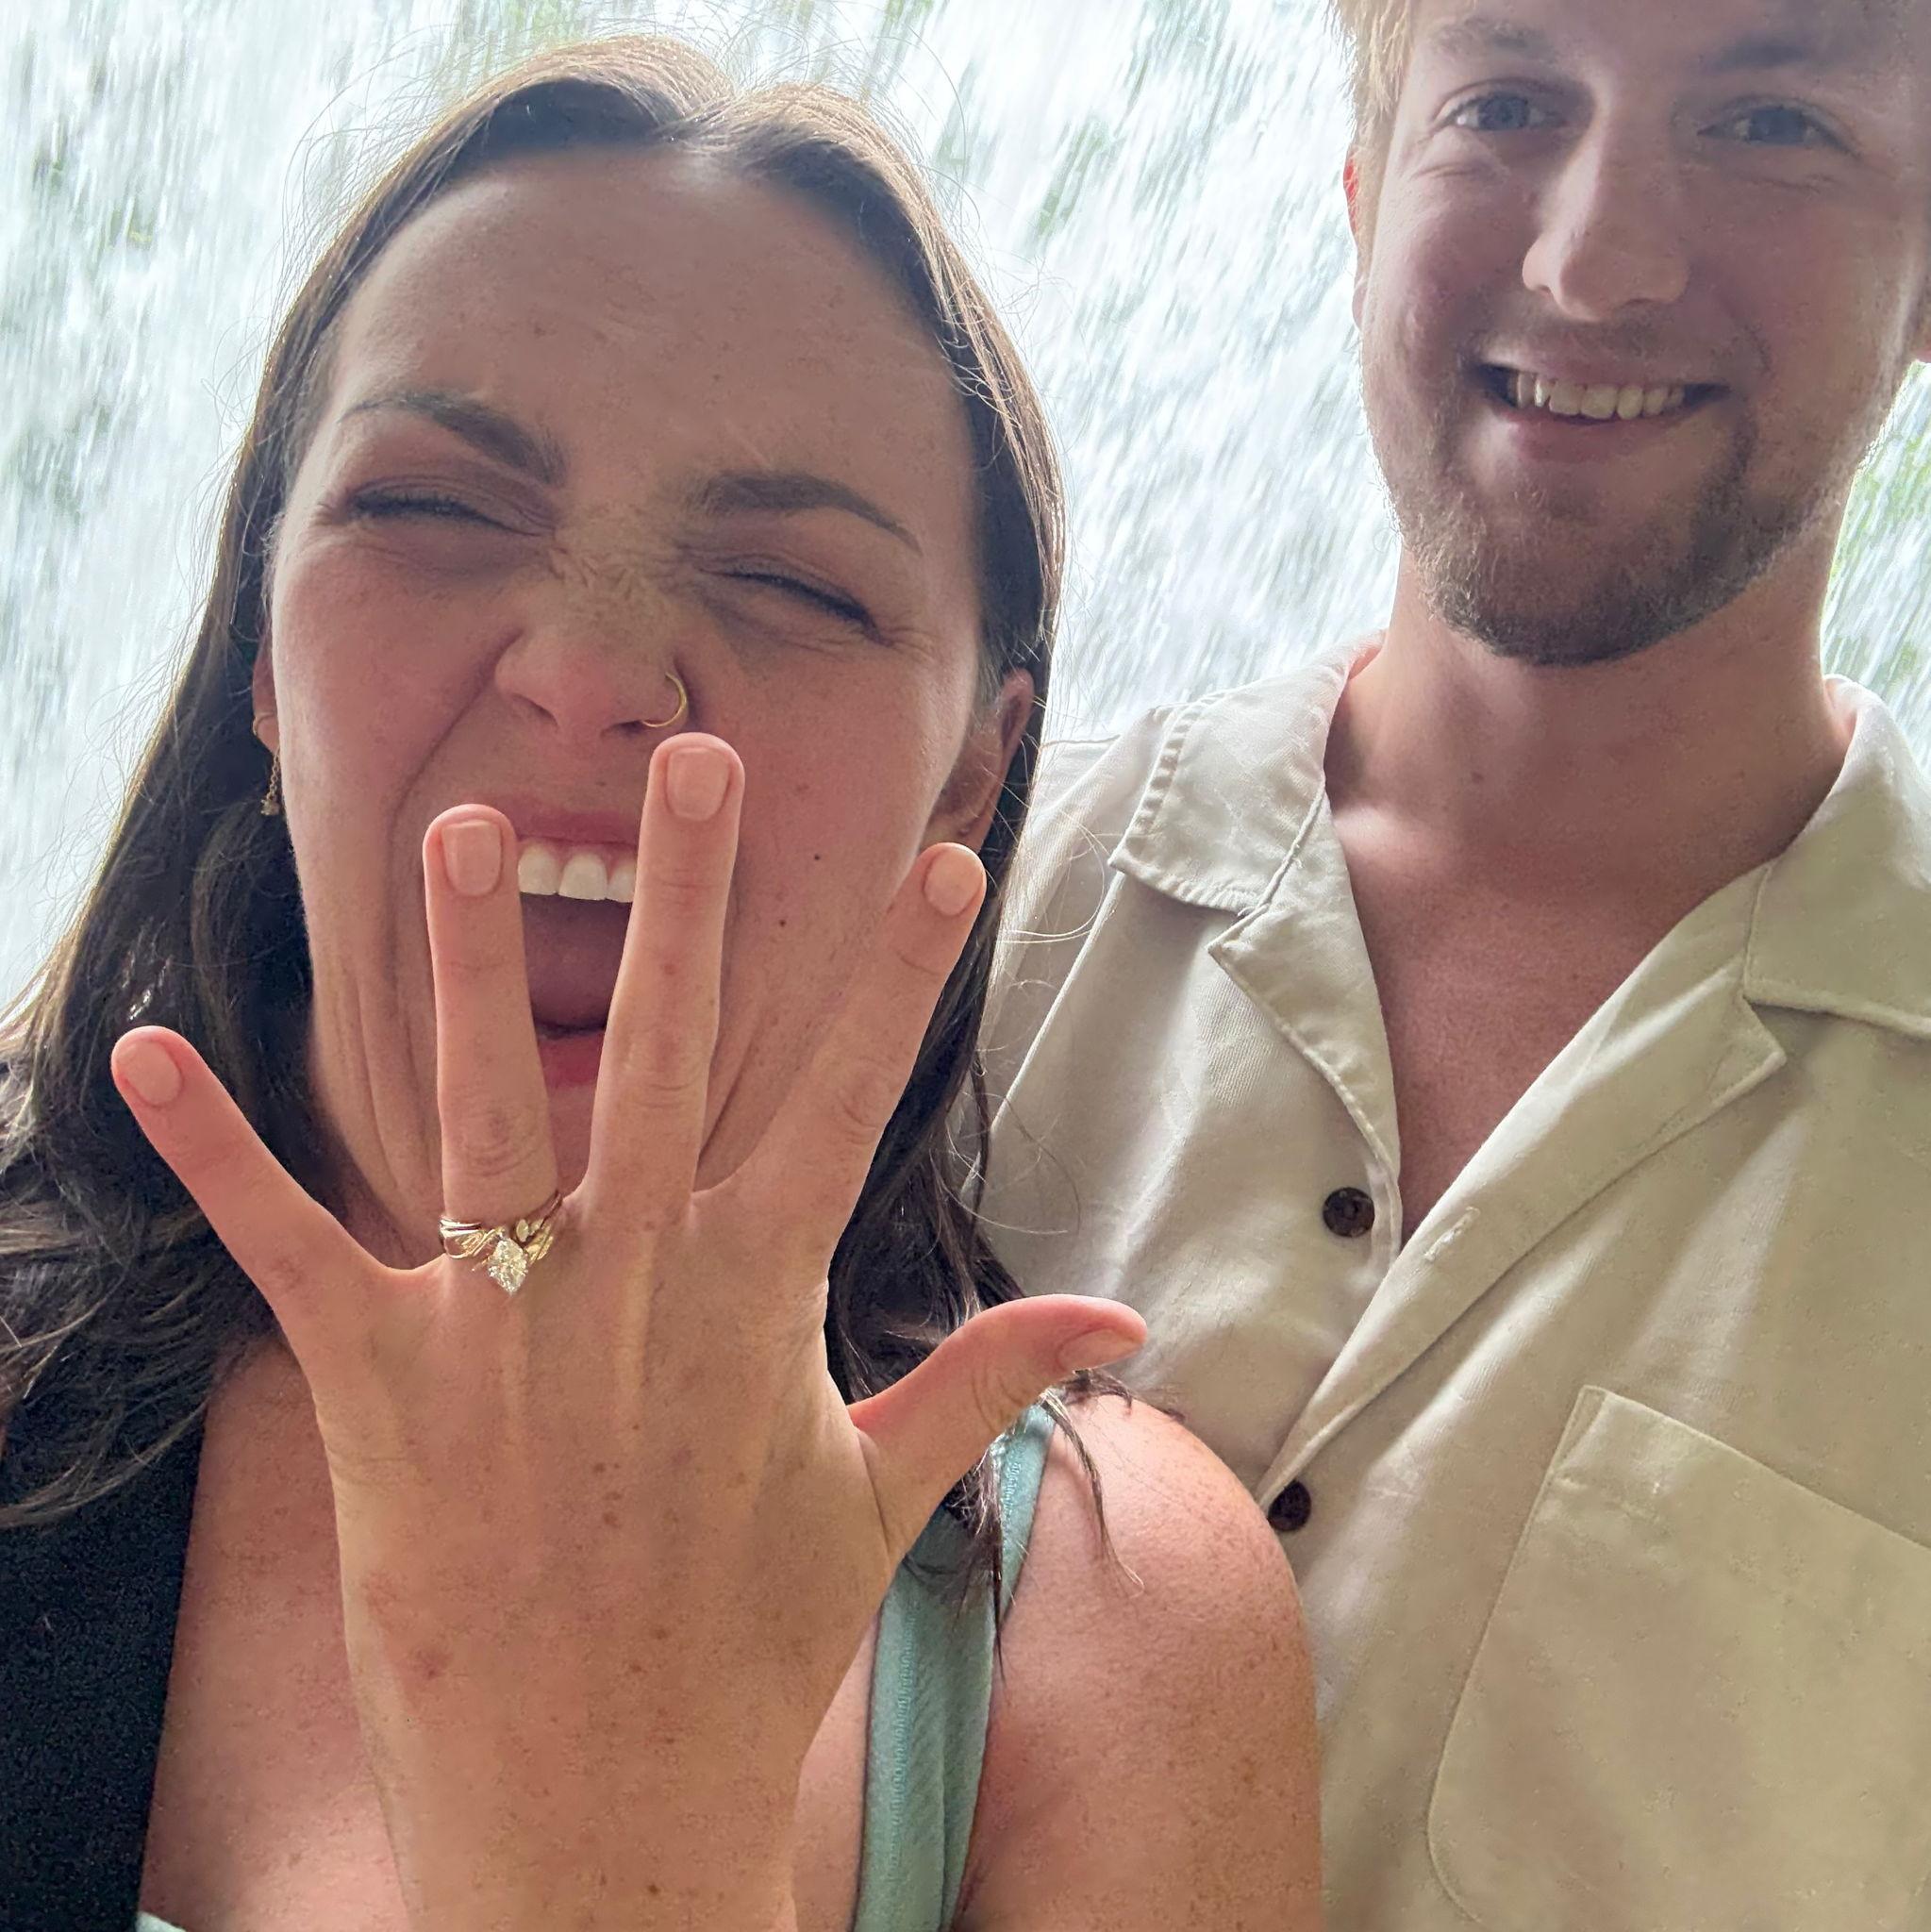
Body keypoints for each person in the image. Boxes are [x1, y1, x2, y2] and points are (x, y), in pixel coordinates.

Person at [0, 38, 1323, 1932]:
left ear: (975, 767)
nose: (599, 665)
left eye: (797, 584)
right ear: (263, 659)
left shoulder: (1108, 1625)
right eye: (434, 507)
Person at [980, 0, 1931, 1924]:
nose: (1595, 259)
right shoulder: (957, 923)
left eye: (1765, 121)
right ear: (1358, 199)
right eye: (1505, 103)